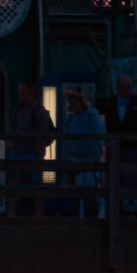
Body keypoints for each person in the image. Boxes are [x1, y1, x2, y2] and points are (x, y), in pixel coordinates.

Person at [104, 75, 137, 215]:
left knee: (134, 177)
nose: (124, 90)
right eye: (121, 87)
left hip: (132, 147)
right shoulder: (111, 102)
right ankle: (118, 209)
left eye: (126, 87)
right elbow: (108, 123)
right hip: (116, 146)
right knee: (116, 177)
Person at [8, 82, 53, 218]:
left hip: (31, 153)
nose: (21, 96)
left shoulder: (38, 111)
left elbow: (44, 133)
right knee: (15, 182)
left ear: (31, 93)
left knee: (35, 185)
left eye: (23, 93)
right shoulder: (18, 110)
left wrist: (38, 147)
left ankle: (36, 213)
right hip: (19, 151)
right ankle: (13, 212)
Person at [59, 88, 107, 216]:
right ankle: (83, 214)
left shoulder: (91, 115)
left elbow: (100, 133)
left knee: (94, 188)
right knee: (81, 189)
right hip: (77, 158)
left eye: (74, 102)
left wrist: (97, 153)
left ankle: (101, 212)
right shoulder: (71, 118)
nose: (71, 105)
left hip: (90, 158)